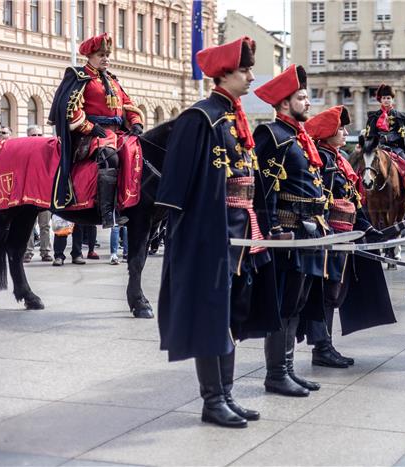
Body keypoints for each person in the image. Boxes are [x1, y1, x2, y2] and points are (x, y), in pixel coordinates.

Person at [156, 36, 280, 428]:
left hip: (242, 233)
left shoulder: (233, 118)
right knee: (212, 315)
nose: (249, 75)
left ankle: (226, 394)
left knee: (232, 314)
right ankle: (213, 401)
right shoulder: (200, 118)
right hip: (210, 236)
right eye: (244, 70)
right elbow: (177, 185)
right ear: (225, 73)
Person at [254, 64, 328, 397]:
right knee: (285, 303)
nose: (308, 102)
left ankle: (287, 369)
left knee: (298, 304)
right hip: (287, 230)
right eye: (301, 97)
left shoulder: (299, 138)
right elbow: (262, 188)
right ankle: (275, 374)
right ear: (284, 103)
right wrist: (271, 229)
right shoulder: (271, 135)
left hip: (308, 230)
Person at [303, 105, 387, 368]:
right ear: (328, 132)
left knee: (336, 291)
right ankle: (322, 348)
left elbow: (353, 199)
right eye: (341, 129)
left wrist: (366, 226)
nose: (346, 132)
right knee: (327, 292)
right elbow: (321, 201)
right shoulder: (324, 160)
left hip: (346, 234)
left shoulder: (338, 160)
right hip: (332, 236)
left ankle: (325, 345)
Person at [49, 33, 143, 228]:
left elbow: (128, 105)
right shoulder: (80, 77)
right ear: (90, 56)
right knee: (111, 157)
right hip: (91, 135)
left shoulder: (113, 81)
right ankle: (107, 213)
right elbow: (70, 109)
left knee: (138, 153)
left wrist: (135, 122)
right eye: (101, 55)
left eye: (107, 55)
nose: (105, 59)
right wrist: (91, 128)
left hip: (117, 133)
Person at [23, 126, 53, 263]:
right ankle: (27, 252)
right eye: (33, 135)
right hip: (29, 194)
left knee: (45, 225)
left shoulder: (48, 152)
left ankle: (45, 252)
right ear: (28, 136)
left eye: (39, 134)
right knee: (28, 225)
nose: (37, 137)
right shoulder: (23, 152)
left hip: (44, 194)